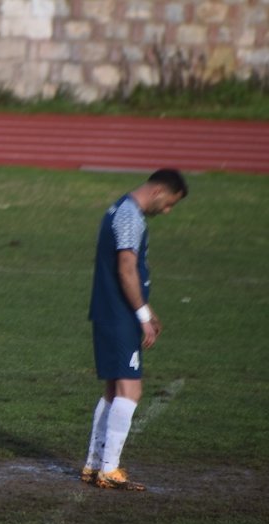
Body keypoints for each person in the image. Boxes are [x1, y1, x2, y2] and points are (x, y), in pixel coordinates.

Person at [82, 169, 189, 491]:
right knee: (131, 391)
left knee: (114, 390)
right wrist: (141, 315)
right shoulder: (129, 215)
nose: (167, 211)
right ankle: (109, 469)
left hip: (110, 311)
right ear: (157, 191)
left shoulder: (118, 208)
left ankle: (94, 464)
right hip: (119, 315)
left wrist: (146, 309)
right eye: (169, 203)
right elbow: (126, 269)